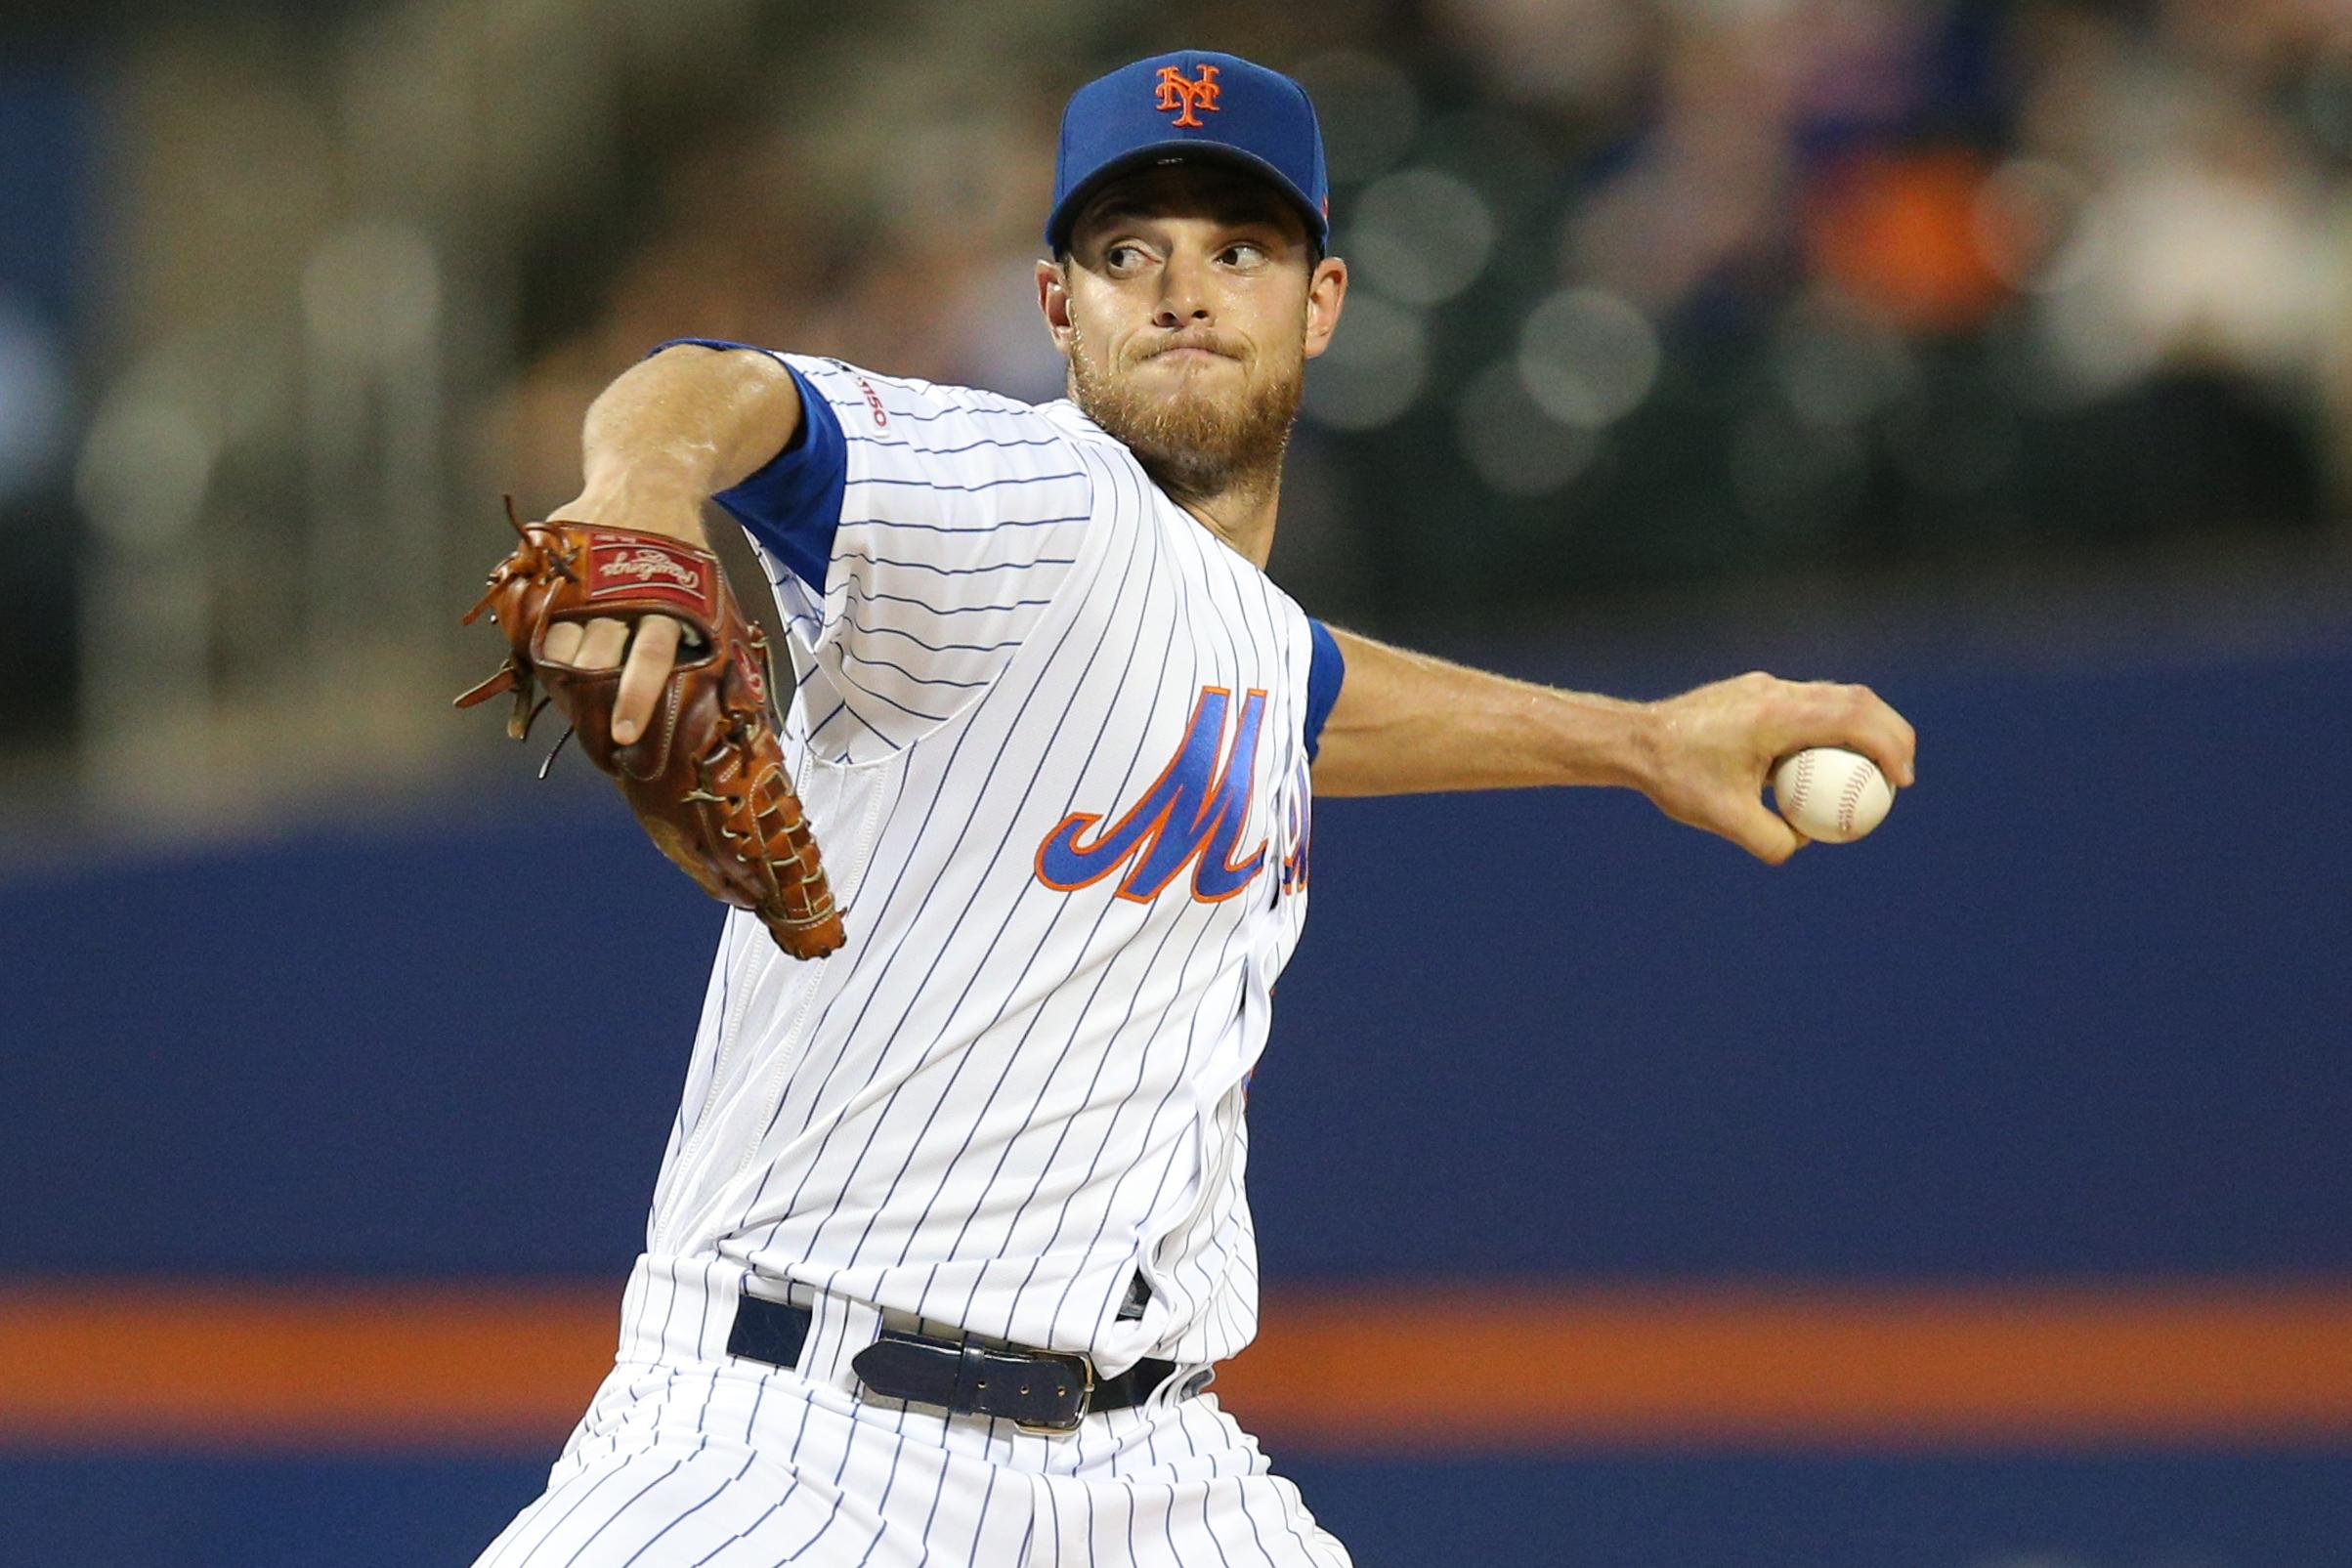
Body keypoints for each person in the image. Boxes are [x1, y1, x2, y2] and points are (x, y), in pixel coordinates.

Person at [471, 49, 1916, 1567]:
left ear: (1326, 301)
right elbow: (713, 386)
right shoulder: (1021, 497)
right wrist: (635, 484)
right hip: (792, 1448)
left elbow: (1301, 693)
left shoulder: (1226, 623)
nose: (1181, 289)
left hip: (1157, 1468)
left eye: (1240, 248)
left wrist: (1640, 740)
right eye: (1126, 253)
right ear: (1056, 306)